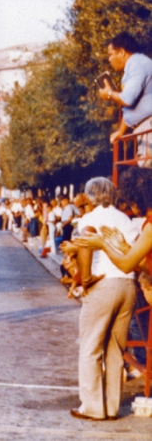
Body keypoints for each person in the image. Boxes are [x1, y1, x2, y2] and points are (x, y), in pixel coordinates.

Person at [68, 177, 138, 420]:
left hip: (103, 283)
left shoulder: (89, 219)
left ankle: (93, 407)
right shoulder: (124, 218)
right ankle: (111, 406)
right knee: (115, 348)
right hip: (127, 284)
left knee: (91, 345)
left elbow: (85, 246)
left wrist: (86, 279)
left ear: (89, 196)